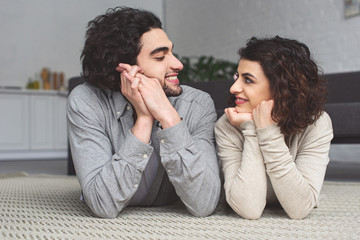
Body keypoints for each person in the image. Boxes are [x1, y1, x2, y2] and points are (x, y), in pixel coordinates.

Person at [67, 7, 220, 218]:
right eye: (159, 57)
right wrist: (144, 120)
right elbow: (102, 204)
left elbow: (204, 203)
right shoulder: (86, 101)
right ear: (124, 69)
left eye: (172, 52)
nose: (178, 64)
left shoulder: (197, 104)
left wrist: (168, 116)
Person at [214, 36, 333, 220]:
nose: (233, 88)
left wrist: (268, 132)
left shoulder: (317, 124)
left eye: (248, 80)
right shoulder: (228, 124)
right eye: (237, 76)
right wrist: (251, 129)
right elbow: (248, 209)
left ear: (282, 88)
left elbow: (299, 209)